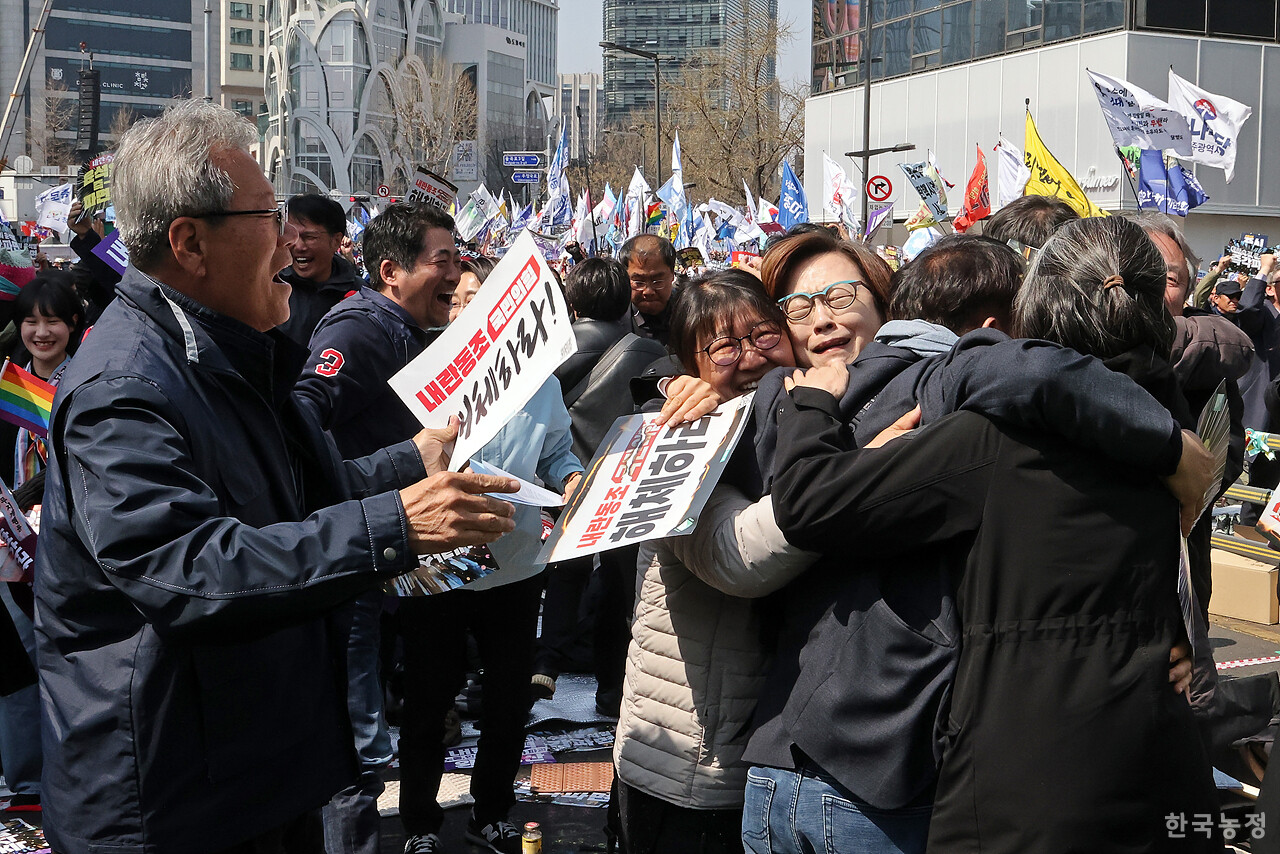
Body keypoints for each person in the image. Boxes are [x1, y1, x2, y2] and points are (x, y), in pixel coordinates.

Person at [34, 99, 521, 854]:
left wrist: (411, 462)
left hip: (255, 768)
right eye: (270, 218)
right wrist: (398, 526)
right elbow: (184, 567)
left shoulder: (227, 352)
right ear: (190, 242)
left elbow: (293, 494)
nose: (292, 244)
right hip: (170, 801)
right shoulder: (126, 382)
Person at [773, 215, 1220, 852]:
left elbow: (809, 503)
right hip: (1165, 778)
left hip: (1022, 792)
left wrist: (811, 407)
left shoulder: (998, 439)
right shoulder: (1178, 431)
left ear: (1033, 308)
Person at [395, 254, 585, 854]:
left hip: (515, 561)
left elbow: (557, 451)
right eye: (458, 299)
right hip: (442, 562)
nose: (466, 306)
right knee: (428, 697)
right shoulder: (425, 380)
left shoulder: (543, 383)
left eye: (481, 298)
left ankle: (492, 810)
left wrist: (573, 474)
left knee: (507, 697)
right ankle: (420, 822)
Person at [613, 270, 807, 854]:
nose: (750, 356)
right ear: (689, 363)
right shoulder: (674, 437)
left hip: (769, 757)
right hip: (690, 765)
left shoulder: (802, 415)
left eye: (764, 334)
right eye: (723, 346)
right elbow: (738, 559)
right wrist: (848, 486)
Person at [293, 201, 465, 854]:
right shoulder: (357, 331)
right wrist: (403, 461)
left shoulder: (415, 331)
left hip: (404, 556)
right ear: (391, 270)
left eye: (457, 259)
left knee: (412, 700)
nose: (453, 275)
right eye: (441, 261)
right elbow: (301, 447)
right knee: (355, 737)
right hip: (354, 564)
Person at [533, 258, 666, 704]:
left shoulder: (554, 349)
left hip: (568, 474)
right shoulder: (651, 350)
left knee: (564, 570)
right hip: (623, 478)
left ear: (572, 299)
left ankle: (546, 662)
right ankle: (612, 686)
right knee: (617, 583)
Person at [11, 275, 81, 490]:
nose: (41, 333)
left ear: (72, 323)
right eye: (31, 322)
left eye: (52, 321)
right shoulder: (9, 383)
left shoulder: (86, 387)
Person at [278, 193, 364, 347]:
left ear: (336, 240)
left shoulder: (360, 294)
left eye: (309, 237)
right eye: (292, 236)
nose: (299, 247)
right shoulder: (271, 289)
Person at [619, 234, 678, 343]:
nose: (648, 291)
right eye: (639, 282)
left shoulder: (693, 317)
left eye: (657, 281)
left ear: (672, 275)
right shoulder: (614, 320)